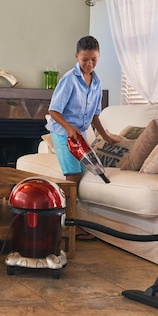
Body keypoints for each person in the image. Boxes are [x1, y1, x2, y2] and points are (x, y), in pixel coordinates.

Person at [47, 36, 120, 240]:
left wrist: (106, 136)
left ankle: (70, 222)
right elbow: (53, 111)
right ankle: (69, 227)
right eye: (85, 60)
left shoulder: (96, 82)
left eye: (94, 60)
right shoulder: (69, 79)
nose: (89, 64)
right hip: (63, 132)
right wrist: (69, 128)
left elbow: (95, 115)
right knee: (73, 176)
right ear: (76, 56)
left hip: (79, 134)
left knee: (80, 173)